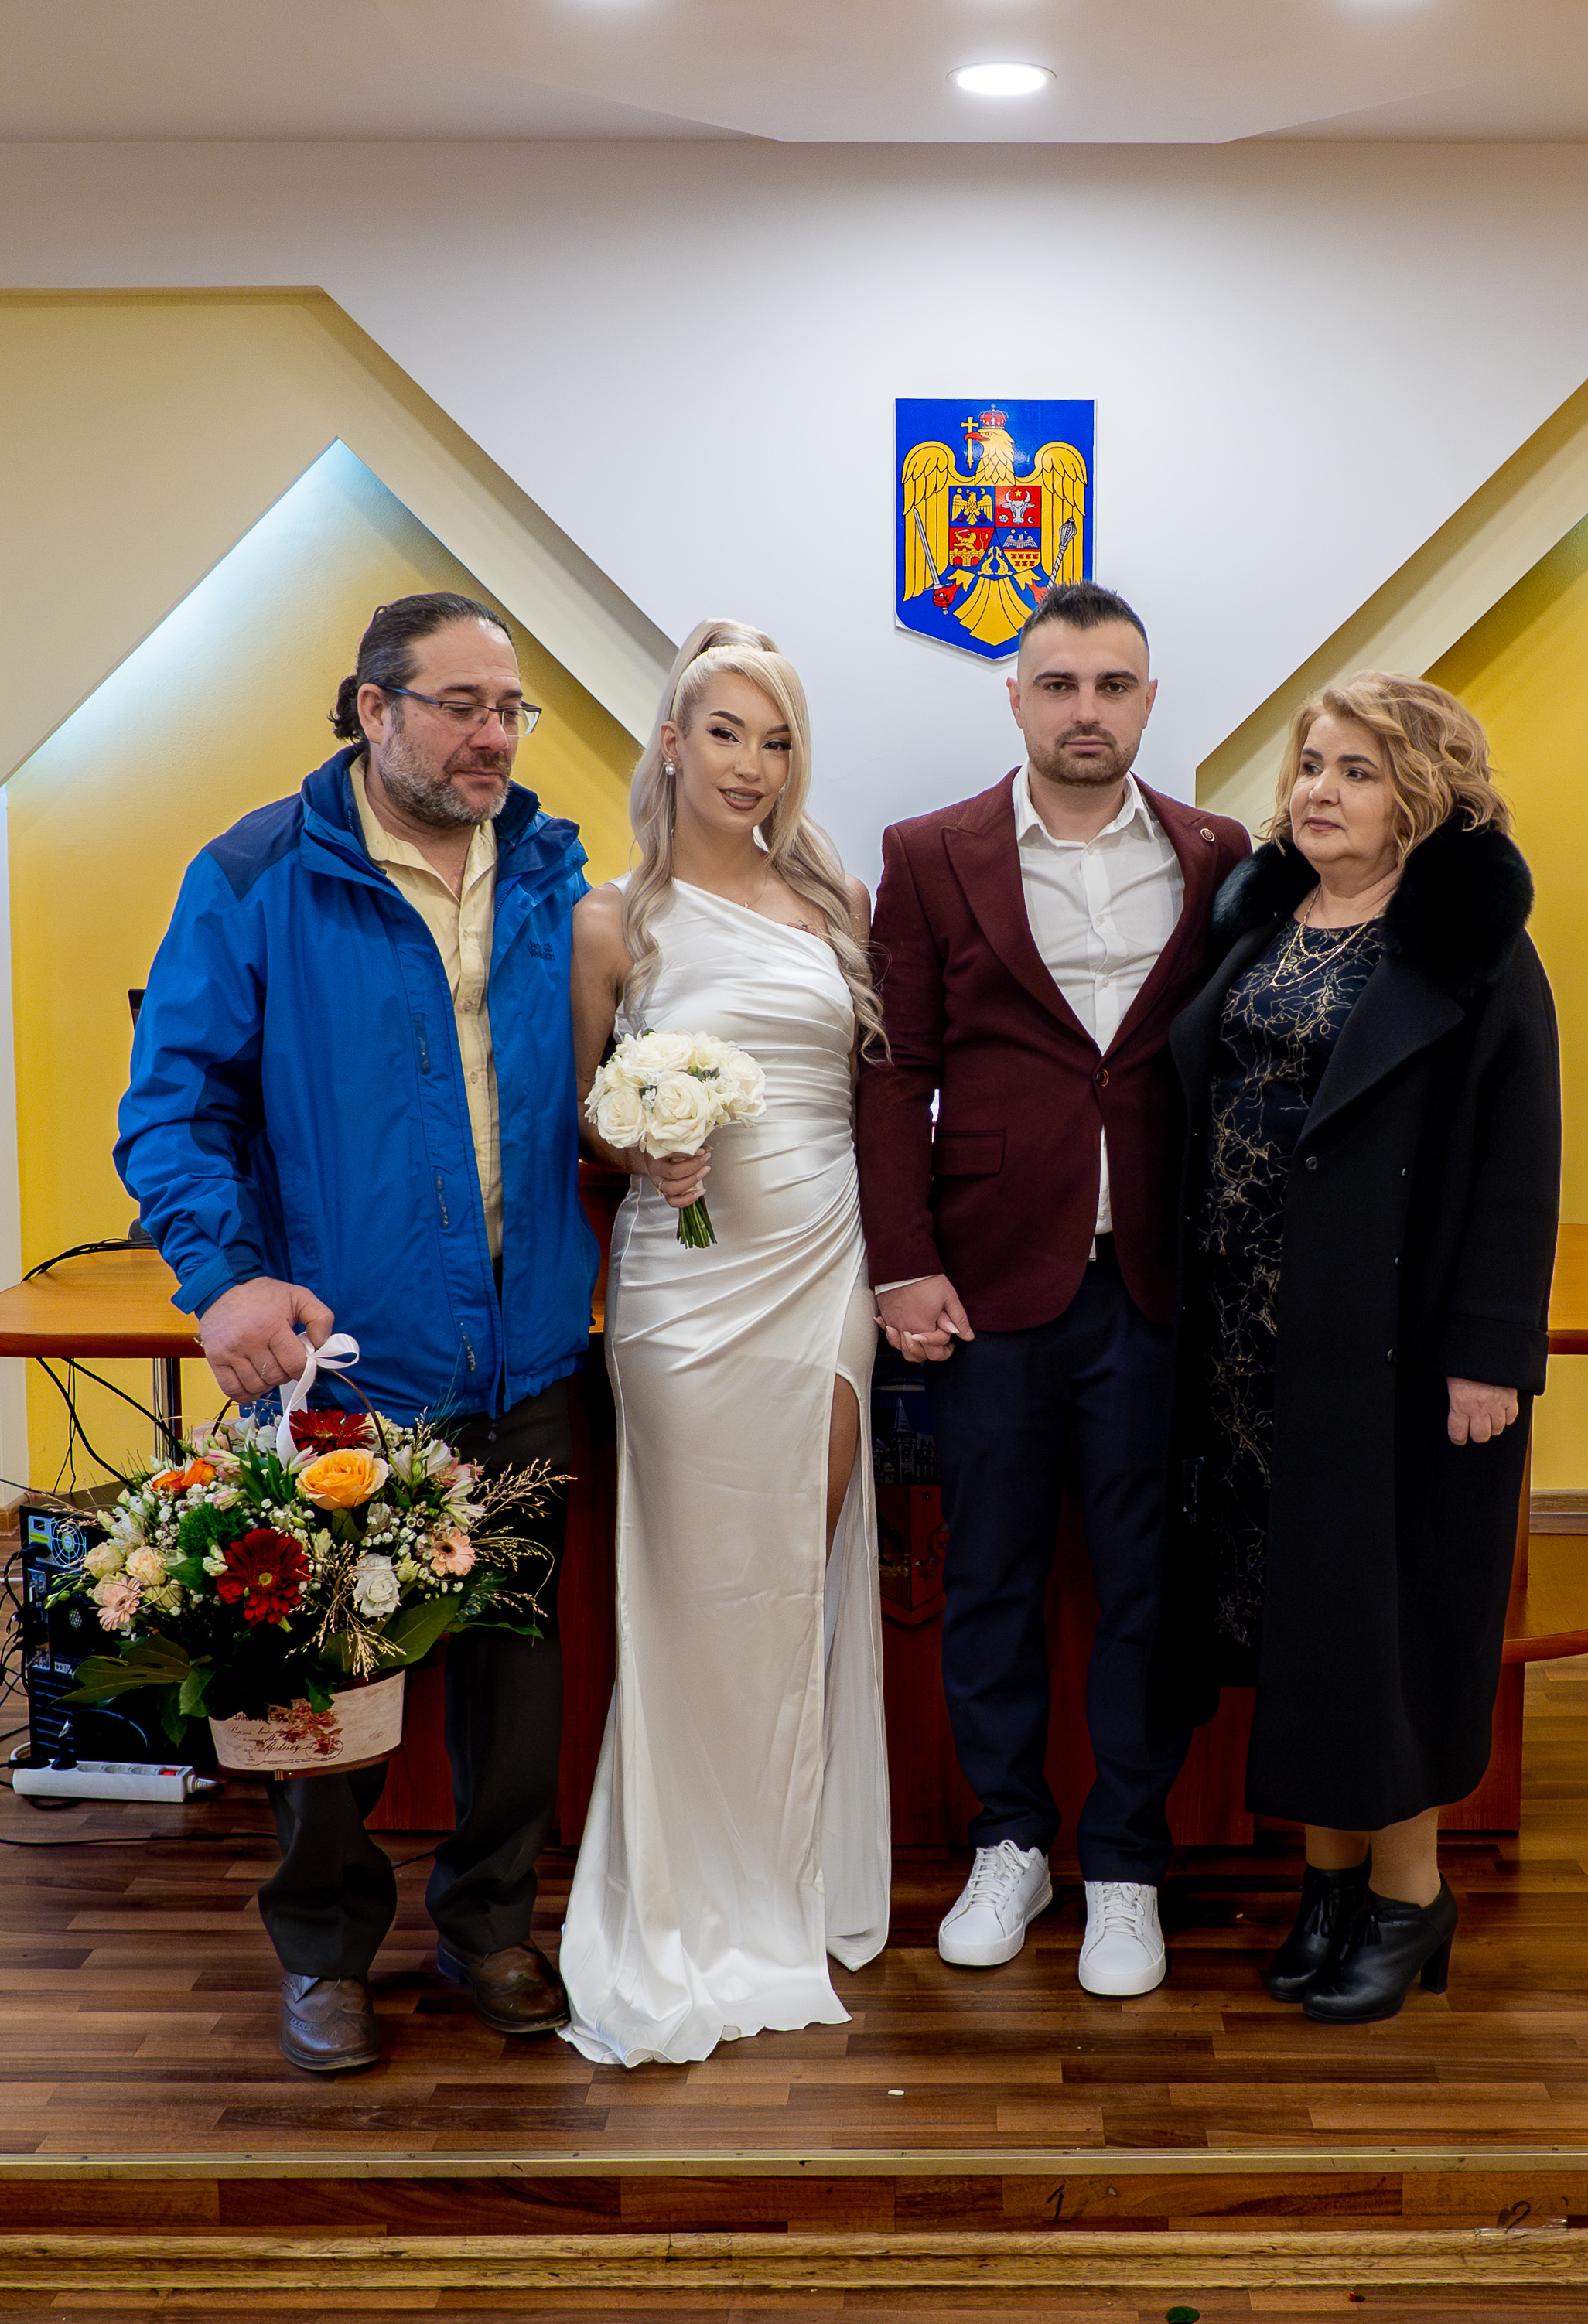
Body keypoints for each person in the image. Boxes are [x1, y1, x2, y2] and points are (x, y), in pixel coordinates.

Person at [116, 592, 596, 2072]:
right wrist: (223, 1279)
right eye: (462, 706)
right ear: (373, 708)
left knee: (515, 1674)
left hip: (529, 1348)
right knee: (321, 1684)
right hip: (348, 1360)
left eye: (510, 709)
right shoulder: (256, 875)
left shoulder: (551, 869)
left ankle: (490, 1922)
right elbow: (173, 1109)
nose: (495, 736)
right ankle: (325, 1951)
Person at [857, 581, 1250, 1997]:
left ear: (1148, 701)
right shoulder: (929, 853)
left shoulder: (1220, 853)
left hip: (1158, 1281)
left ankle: (1128, 1862)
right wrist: (903, 1259)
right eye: (1062, 684)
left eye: (1115, 685)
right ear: (1015, 696)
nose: (1089, 710)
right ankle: (1011, 1842)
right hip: (985, 1284)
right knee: (991, 1582)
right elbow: (894, 1067)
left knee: (1148, 1588)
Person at [1166, 672, 1560, 2025]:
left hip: (1392, 1350)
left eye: (1357, 771)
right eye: (1311, 765)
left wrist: (1492, 1352)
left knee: (1388, 1629)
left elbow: (1520, 1164)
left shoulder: (1473, 953)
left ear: (1424, 798)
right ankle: (1328, 1886)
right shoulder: (1264, 920)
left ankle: (1410, 1895)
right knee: (1306, 1622)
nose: (1318, 791)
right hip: (1251, 1347)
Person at [559, 618, 890, 2067]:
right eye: (726, 733)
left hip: (823, 1260)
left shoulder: (836, 897)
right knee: (696, 1586)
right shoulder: (612, 921)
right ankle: (688, 1892)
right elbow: (584, 1114)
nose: (751, 764)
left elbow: (872, 1092)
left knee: (795, 1560)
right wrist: (645, 1148)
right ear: (672, 741)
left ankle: (781, 1875)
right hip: (683, 1289)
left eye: (777, 740)